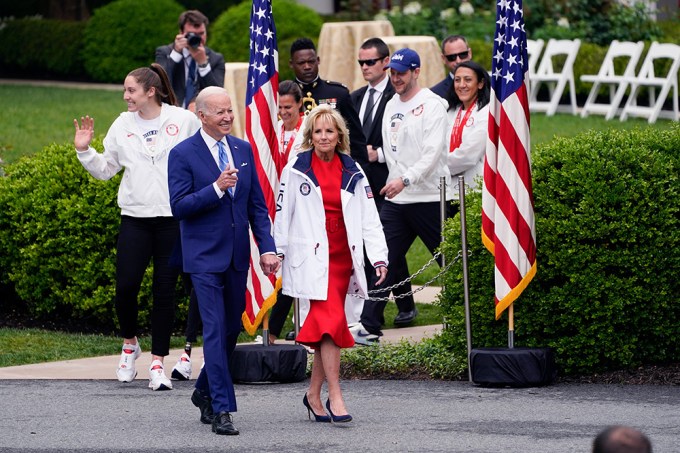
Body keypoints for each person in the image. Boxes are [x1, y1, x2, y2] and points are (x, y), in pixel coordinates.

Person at [73, 63, 201, 390]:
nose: (125, 95)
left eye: (131, 90)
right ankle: (130, 344)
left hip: (172, 219)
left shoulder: (182, 121)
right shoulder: (122, 124)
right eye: (125, 90)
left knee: (164, 292)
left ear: (150, 91)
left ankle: (158, 363)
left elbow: (199, 159)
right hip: (135, 218)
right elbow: (106, 169)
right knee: (126, 287)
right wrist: (84, 150)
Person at [167, 86, 280, 436]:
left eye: (230, 110)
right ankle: (221, 408)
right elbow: (180, 206)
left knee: (231, 329)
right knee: (215, 330)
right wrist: (216, 188)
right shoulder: (182, 154)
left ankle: (203, 391)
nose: (228, 117)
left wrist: (267, 247)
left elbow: (257, 207)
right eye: (220, 112)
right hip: (202, 258)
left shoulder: (243, 150)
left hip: (236, 256)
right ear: (202, 116)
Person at [274, 105, 388, 423]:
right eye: (318, 131)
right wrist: (276, 253)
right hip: (311, 260)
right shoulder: (296, 168)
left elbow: (369, 216)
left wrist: (379, 256)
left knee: (328, 327)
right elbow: (283, 215)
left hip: (343, 260)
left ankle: (313, 394)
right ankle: (335, 395)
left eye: (330, 131)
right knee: (331, 321)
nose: (324, 136)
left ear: (339, 135)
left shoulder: (352, 168)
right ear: (310, 135)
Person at [363, 48, 452, 337]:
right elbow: (394, 150)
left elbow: (431, 153)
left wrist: (406, 179)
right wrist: (376, 157)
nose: (396, 78)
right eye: (393, 73)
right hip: (398, 200)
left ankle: (467, 318)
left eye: (402, 73)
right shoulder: (391, 104)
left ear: (416, 71)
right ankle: (369, 325)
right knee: (381, 259)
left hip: (429, 197)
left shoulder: (433, 104)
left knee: (449, 261)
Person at [289, 37, 369, 170]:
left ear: (318, 61)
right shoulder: (283, 96)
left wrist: (362, 173)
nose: (307, 66)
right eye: (301, 63)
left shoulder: (338, 93)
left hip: (334, 167)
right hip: (296, 168)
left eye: (311, 61)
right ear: (291, 64)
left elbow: (356, 140)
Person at [268, 80, 307, 344]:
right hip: (276, 209)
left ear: (300, 105)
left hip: (302, 210)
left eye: (288, 107)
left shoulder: (309, 131)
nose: (283, 112)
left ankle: (302, 326)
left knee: (299, 270)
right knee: (280, 271)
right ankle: (272, 332)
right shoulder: (272, 131)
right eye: (280, 107)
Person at [445, 60, 491, 217]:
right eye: (457, 80)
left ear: (480, 84)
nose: (461, 85)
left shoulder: (486, 113)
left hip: (474, 191)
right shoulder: (450, 111)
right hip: (447, 191)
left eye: (468, 79)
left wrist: (435, 168)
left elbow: (468, 156)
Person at [155, 10, 226, 109]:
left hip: (202, 115)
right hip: (171, 111)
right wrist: (176, 53)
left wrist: (203, 64)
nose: (198, 38)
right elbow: (158, 84)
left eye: (201, 34)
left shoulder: (216, 58)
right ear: (181, 33)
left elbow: (218, 94)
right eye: (192, 34)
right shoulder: (165, 52)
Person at [430, 35, 473, 99]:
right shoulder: (435, 95)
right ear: (443, 59)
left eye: (462, 55)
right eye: (452, 57)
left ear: (469, 53)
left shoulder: (491, 85)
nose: (458, 61)